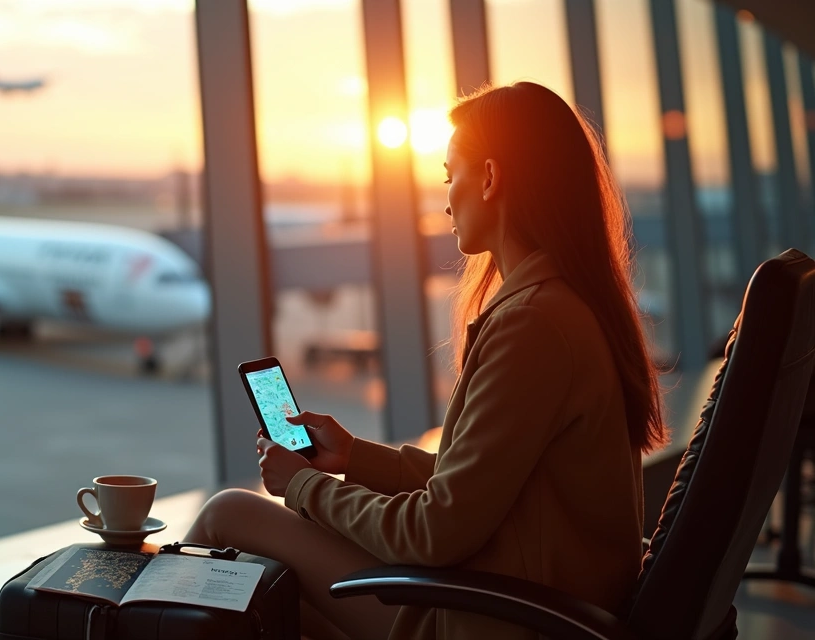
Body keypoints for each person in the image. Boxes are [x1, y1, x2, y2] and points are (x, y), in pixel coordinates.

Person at [182, 81, 665, 640]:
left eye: (448, 174)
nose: (445, 197)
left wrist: (302, 486)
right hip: (524, 599)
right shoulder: (567, 306)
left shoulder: (534, 326)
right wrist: (355, 458)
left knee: (229, 517)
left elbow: (435, 531)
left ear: (488, 178)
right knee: (273, 590)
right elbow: (476, 489)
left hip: (497, 617)